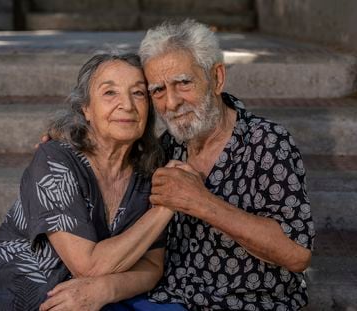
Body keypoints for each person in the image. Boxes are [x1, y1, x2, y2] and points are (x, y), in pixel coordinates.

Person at [40, 20, 315, 311]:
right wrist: (66, 144)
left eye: (183, 83)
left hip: (247, 302)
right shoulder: (168, 146)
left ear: (217, 79)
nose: (171, 103)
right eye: (157, 90)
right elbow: (108, 150)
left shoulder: (267, 142)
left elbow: (297, 254)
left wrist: (201, 202)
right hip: (167, 296)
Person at [0, 53, 177, 311]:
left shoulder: (148, 172)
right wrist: (166, 207)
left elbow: (152, 267)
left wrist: (105, 289)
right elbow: (88, 266)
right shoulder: (55, 160)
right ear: (86, 109)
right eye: (110, 93)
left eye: (138, 93)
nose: (127, 105)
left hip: (73, 302)